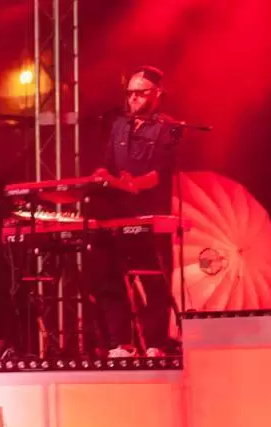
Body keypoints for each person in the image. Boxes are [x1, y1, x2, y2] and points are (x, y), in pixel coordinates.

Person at [90, 66, 182, 357]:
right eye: (130, 93)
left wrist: (133, 184)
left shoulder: (169, 127)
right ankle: (120, 343)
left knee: (153, 279)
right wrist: (103, 176)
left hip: (148, 214)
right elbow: (107, 162)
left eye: (140, 93)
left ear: (157, 94)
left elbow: (160, 174)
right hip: (116, 213)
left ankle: (155, 343)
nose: (133, 99)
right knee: (108, 276)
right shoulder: (119, 126)